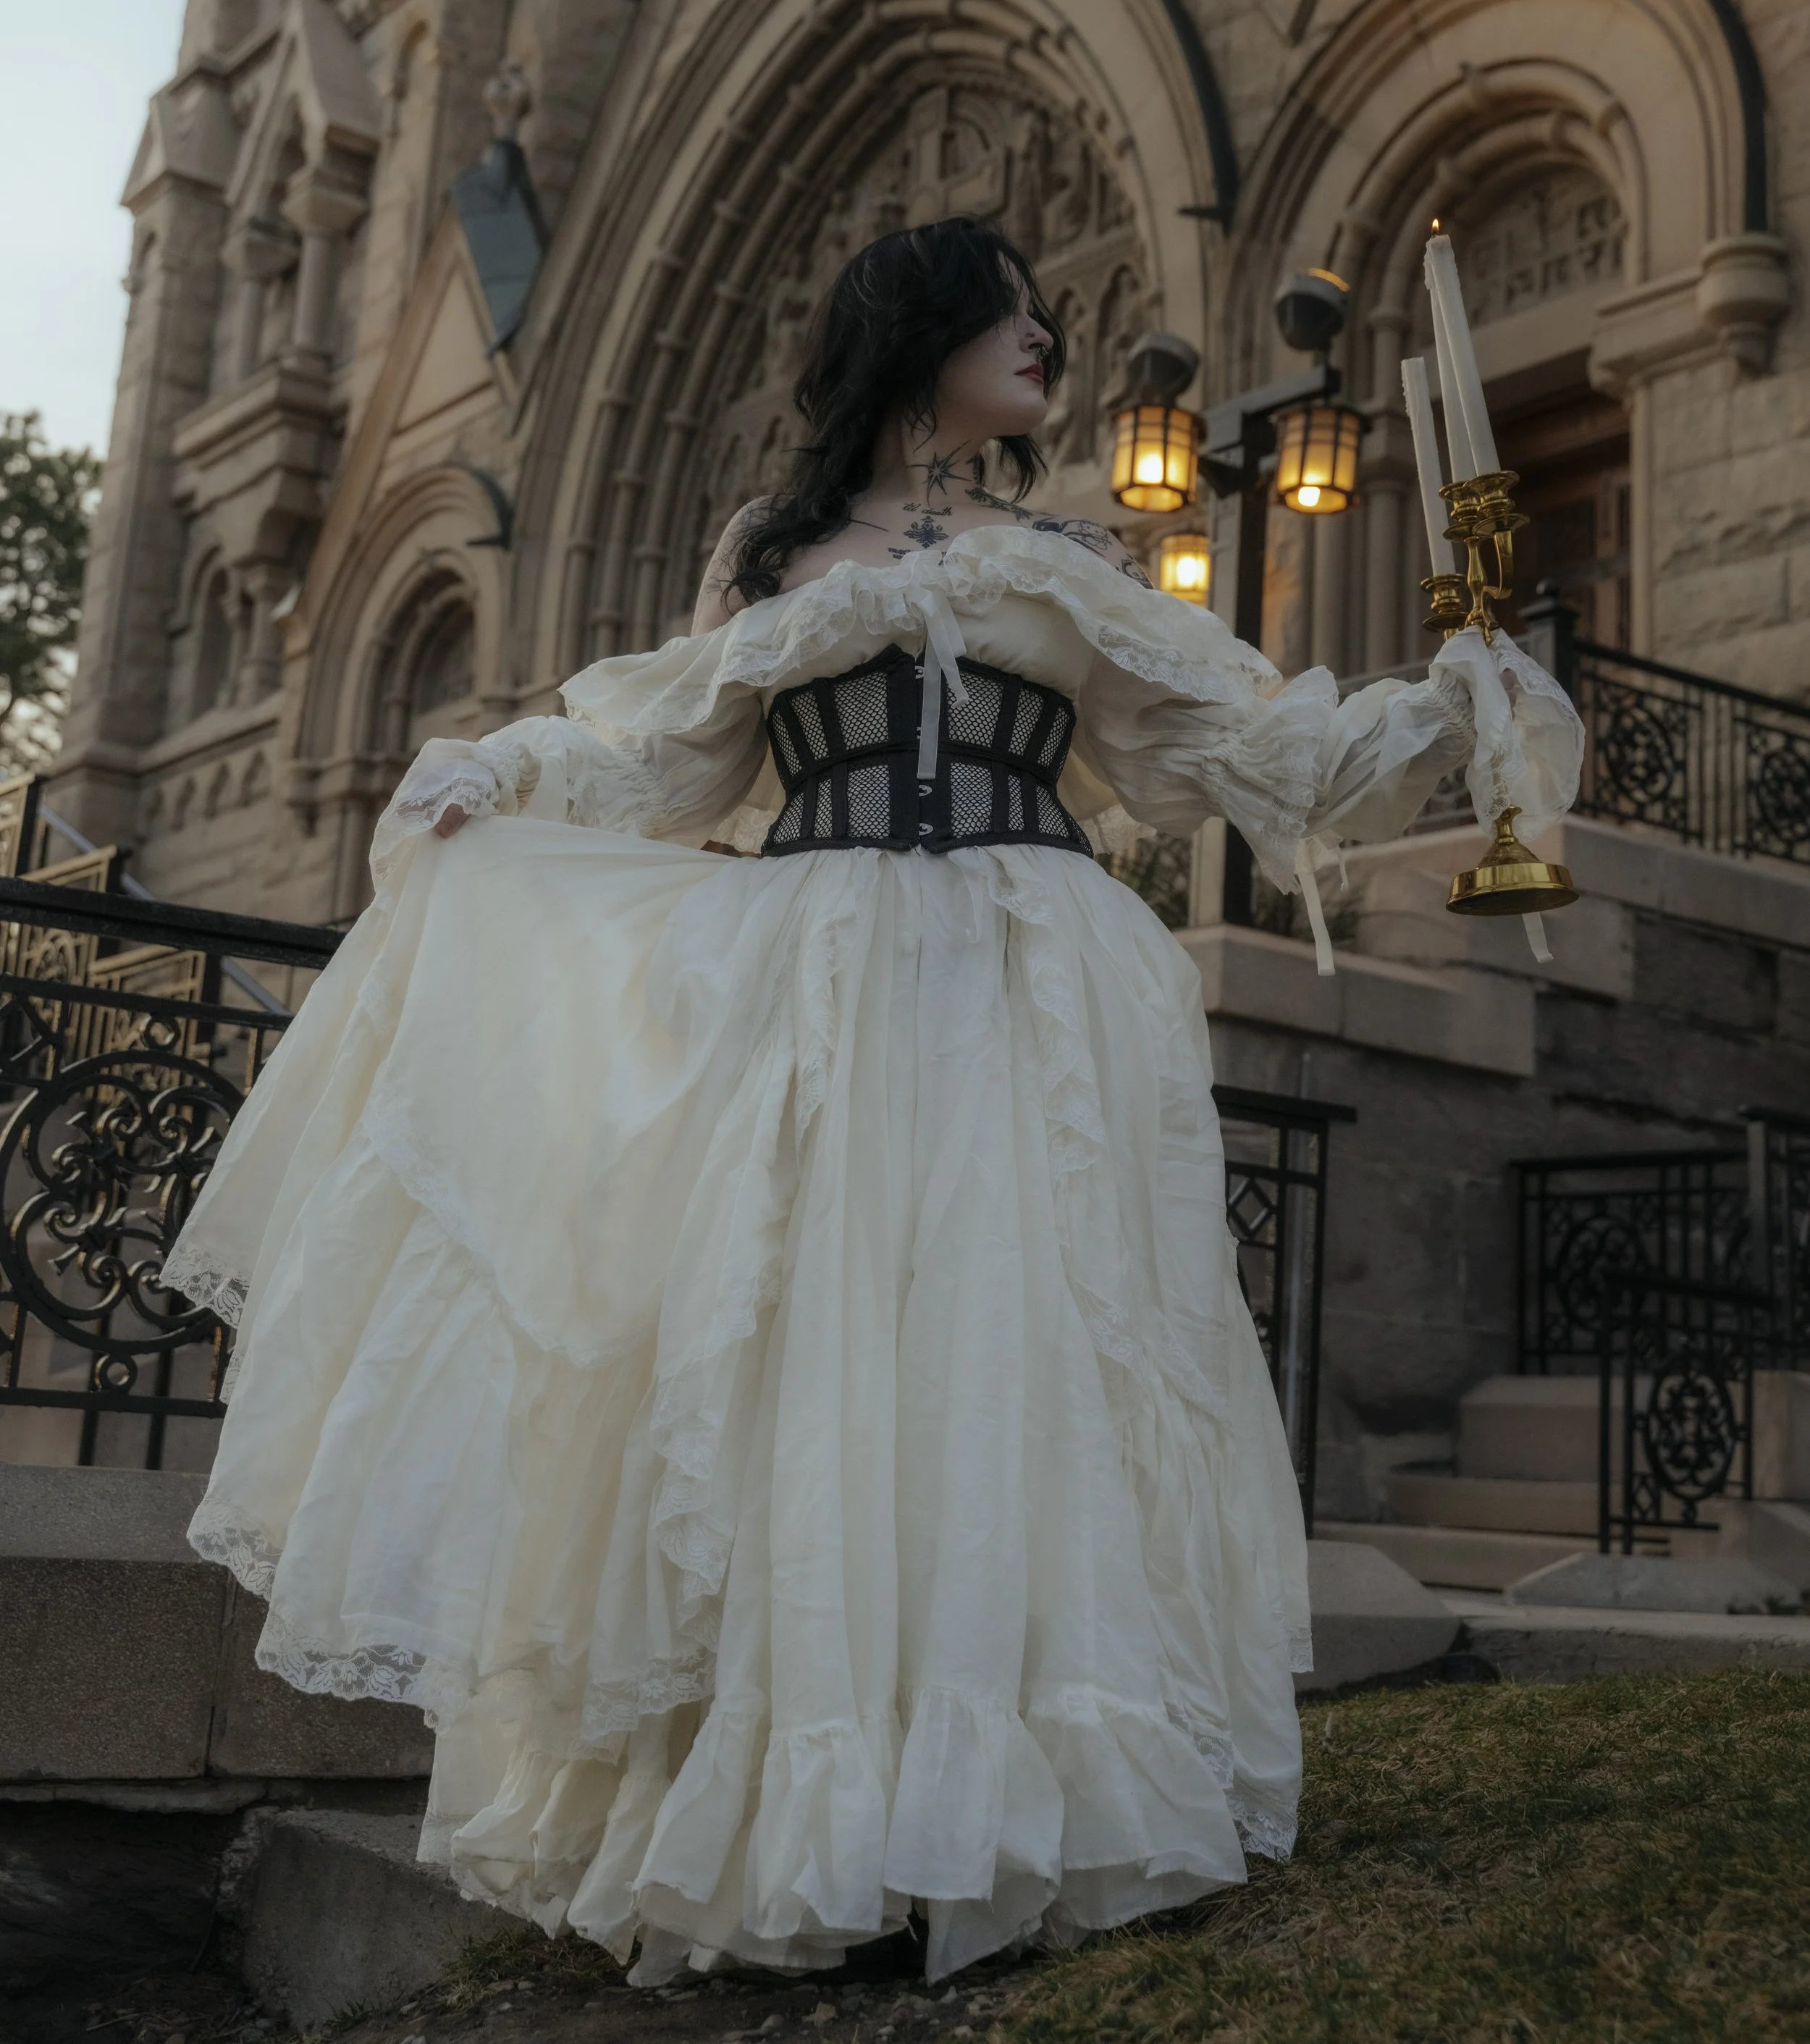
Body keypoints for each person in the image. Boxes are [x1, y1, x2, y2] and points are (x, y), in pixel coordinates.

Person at [165, 217, 1580, 1987]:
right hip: (810, 983)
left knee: (1004, 1361)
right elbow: (668, 757)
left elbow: (1235, 753)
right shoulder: (767, 557)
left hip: (1021, 986)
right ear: (921, 337)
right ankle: (801, 1818)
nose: (1045, 337)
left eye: (1045, 317)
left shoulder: (1066, 560)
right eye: (1014, 314)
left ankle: (1000, 1803)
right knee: (804, 1366)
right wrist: (502, 769)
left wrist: (1448, 703)